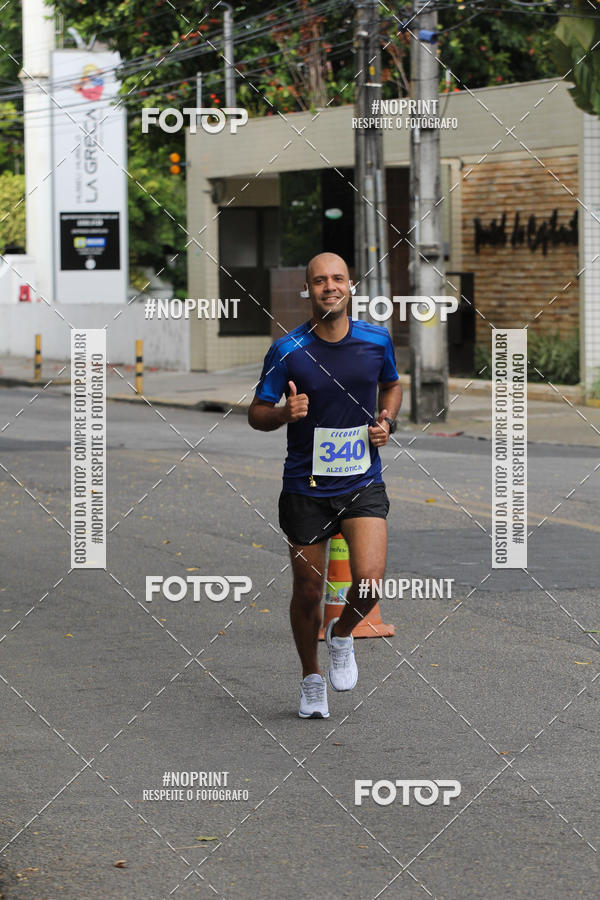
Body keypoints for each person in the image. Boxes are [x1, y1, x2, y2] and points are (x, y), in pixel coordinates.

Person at [248, 252, 402, 718]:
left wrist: (387, 422)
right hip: (306, 487)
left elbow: (392, 384)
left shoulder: (376, 340)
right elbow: (256, 413)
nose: (329, 287)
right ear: (309, 289)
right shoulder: (288, 349)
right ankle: (311, 678)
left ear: (350, 285)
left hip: (362, 480)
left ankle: (342, 636)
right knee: (309, 592)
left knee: (370, 581)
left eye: (337, 279)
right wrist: (282, 414)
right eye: (319, 281)